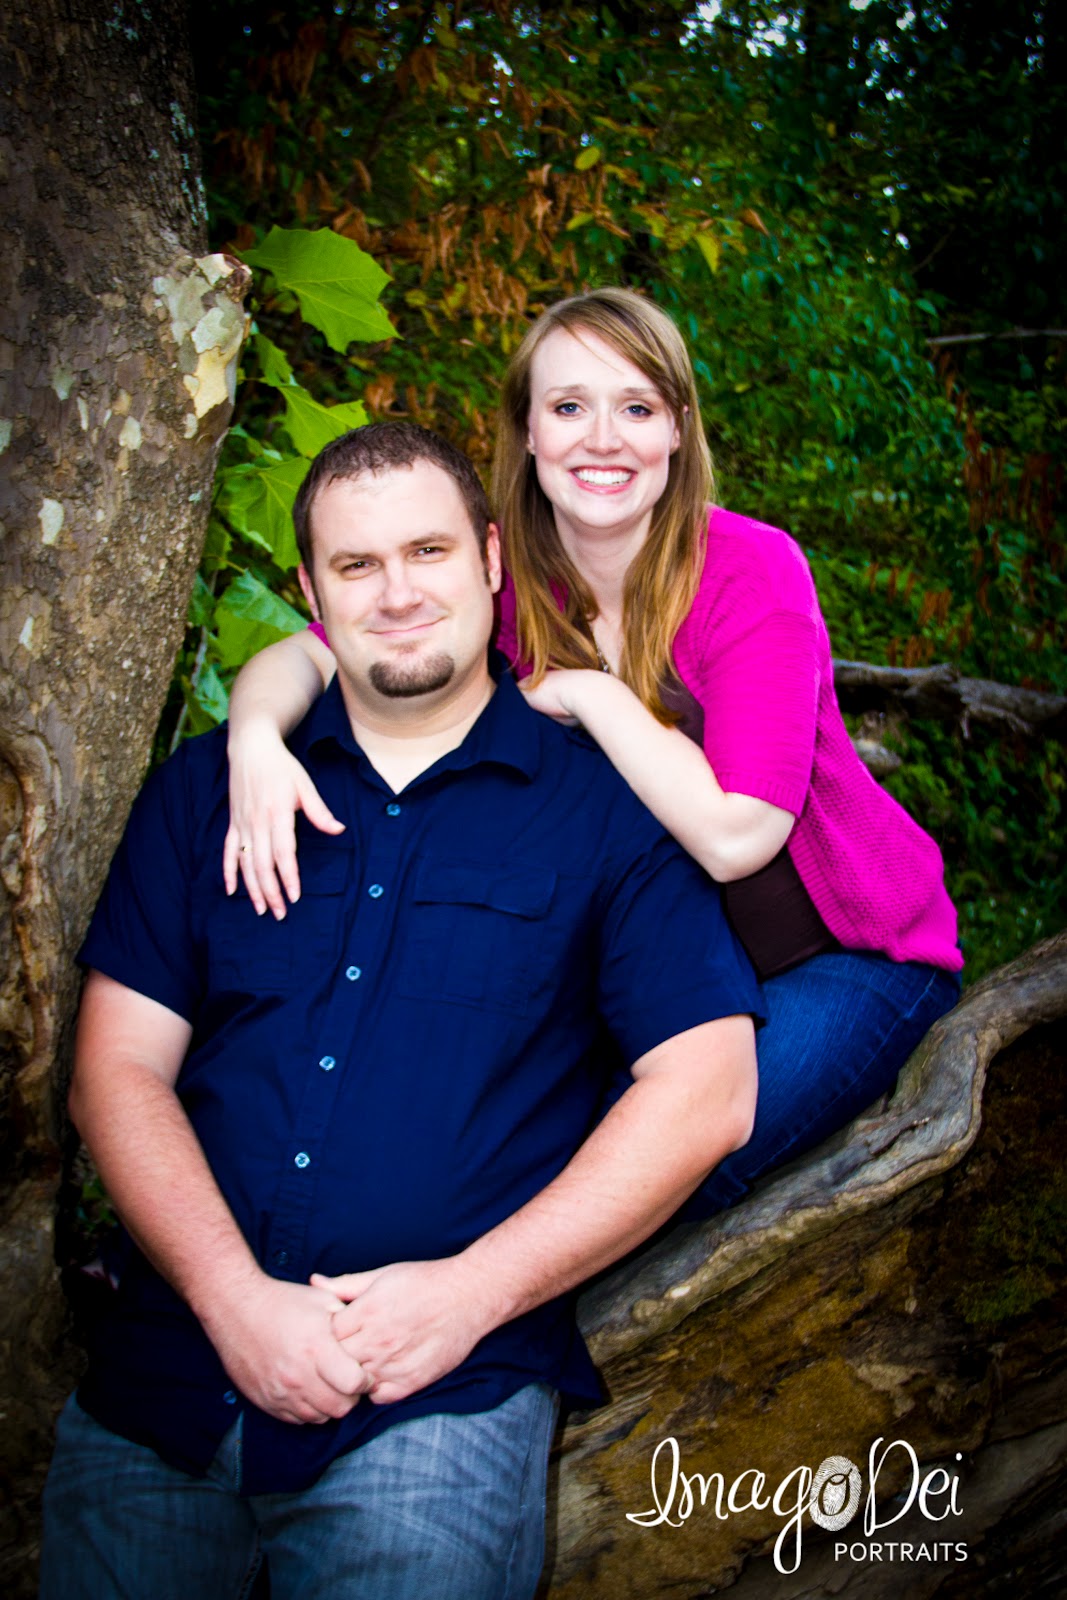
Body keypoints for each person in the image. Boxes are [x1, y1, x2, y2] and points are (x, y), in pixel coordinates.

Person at [41, 421, 762, 1600]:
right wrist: (233, 1301)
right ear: (310, 593)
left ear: (490, 558)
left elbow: (707, 1089)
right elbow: (115, 1070)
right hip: (164, 1383)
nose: (396, 593)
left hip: (434, 1400)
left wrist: (470, 1292)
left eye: (426, 551)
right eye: (356, 565)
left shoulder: (604, 809)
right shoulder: (207, 793)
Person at [227, 288, 963, 1220]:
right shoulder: (504, 579)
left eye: (637, 407)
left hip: (837, 957)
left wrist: (589, 693)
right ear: (528, 431)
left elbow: (739, 836)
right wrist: (255, 740)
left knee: (639, 1176)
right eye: (569, 406)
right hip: (645, 984)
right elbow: (311, 651)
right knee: (476, 1157)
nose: (602, 439)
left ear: (677, 429)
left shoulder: (749, 570)